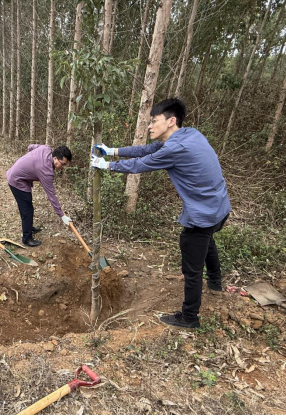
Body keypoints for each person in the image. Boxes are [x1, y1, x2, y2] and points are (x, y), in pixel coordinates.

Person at [90, 98, 231, 329]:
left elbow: (141, 164)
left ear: (171, 121)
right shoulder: (191, 134)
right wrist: (112, 151)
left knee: (192, 266)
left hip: (203, 214)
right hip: (220, 208)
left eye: (154, 121)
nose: (149, 126)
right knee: (208, 240)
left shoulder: (175, 148)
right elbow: (147, 149)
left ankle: (189, 317)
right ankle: (215, 283)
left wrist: (107, 165)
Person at [7, 145, 73, 247]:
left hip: (18, 174)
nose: (62, 167)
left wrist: (30, 162)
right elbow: (51, 195)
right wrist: (61, 215)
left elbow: (30, 147)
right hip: (17, 180)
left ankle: (29, 227)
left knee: (29, 207)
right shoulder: (46, 171)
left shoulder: (46, 149)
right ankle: (27, 239)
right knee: (27, 210)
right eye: (62, 164)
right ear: (55, 158)